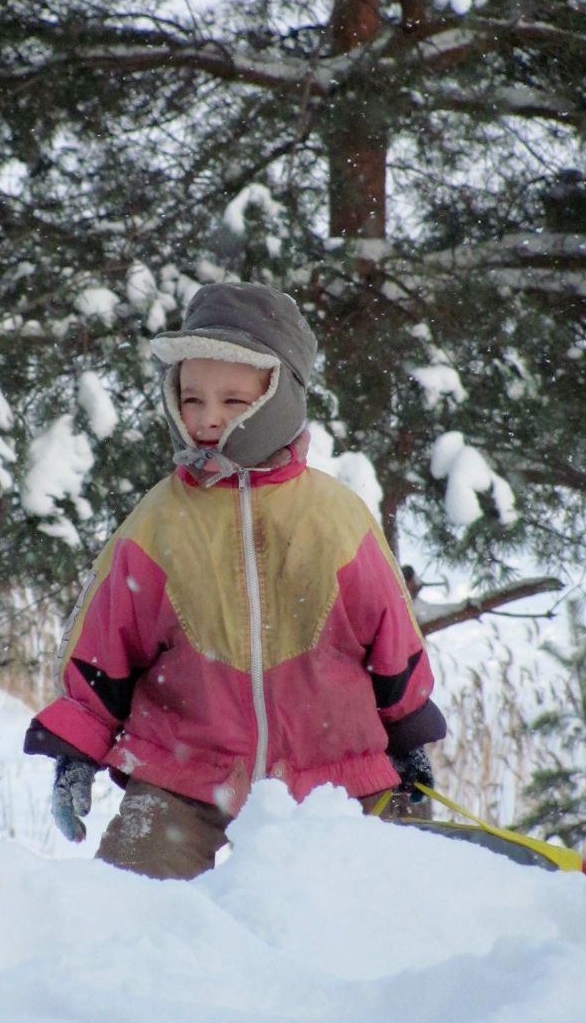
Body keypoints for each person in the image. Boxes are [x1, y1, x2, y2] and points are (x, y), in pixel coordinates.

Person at [23, 281, 446, 879]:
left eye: (232, 400)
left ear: (278, 398)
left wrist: (408, 740)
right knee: (128, 904)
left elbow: (393, 642)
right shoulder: (157, 522)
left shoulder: (335, 517)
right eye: (191, 399)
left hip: (332, 779)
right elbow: (104, 650)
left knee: (380, 906)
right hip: (182, 774)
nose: (207, 418)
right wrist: (76, 753)